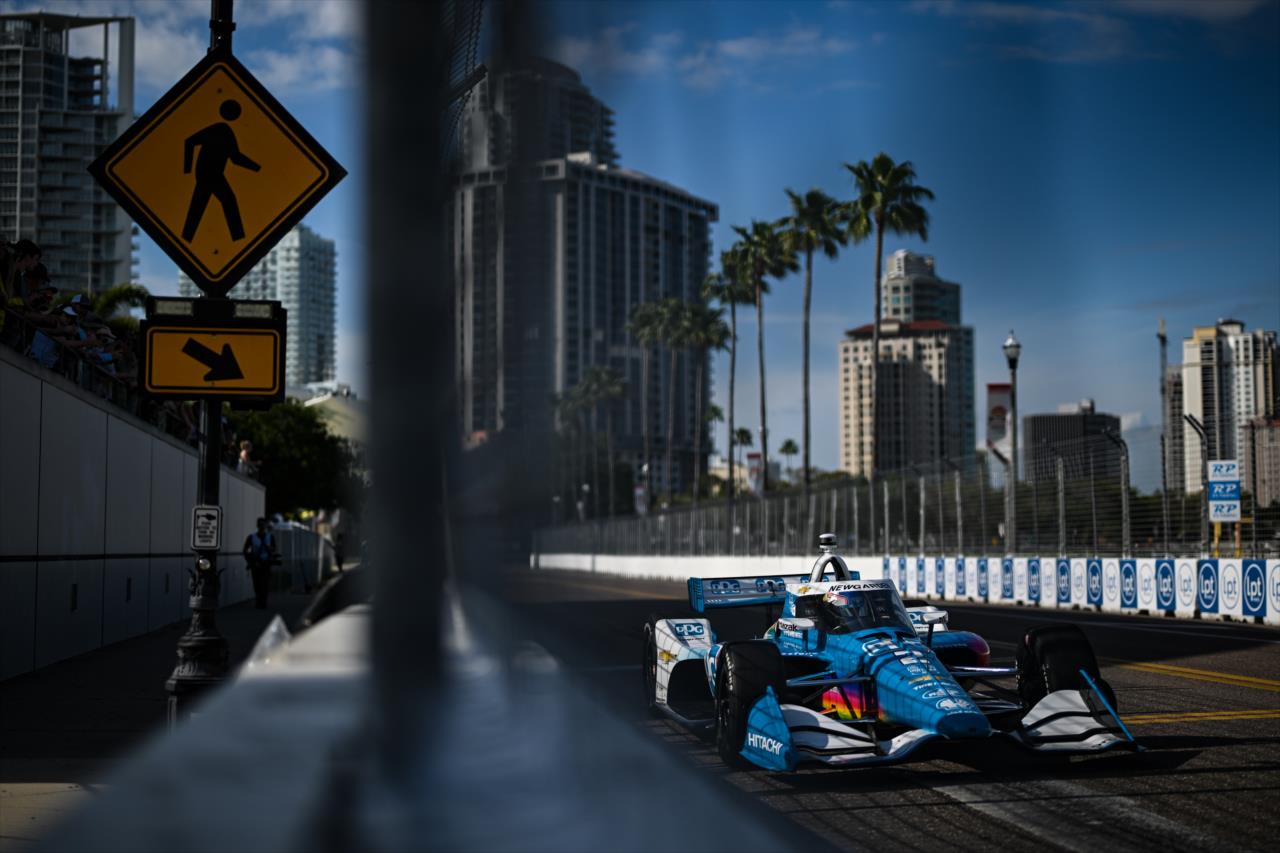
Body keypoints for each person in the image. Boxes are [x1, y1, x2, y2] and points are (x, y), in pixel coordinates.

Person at [242, 517, 278, 609]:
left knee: (265, 584)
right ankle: (259, 601)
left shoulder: (270, 537)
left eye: (263, 525)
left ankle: (263, 602)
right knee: (257, 584)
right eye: (260, 525)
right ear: (257, 526)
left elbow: (274, 549)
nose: (262, 527)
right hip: (256, 563)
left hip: (266, 563)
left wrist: (270, 550)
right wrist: (250, 560)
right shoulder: (252, 537)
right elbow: (245, 550)